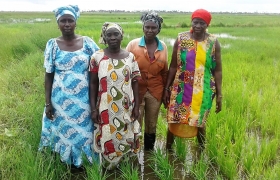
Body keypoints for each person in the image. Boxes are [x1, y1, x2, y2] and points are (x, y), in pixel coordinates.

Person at [38, 5, 100, 171]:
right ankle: (66, 162)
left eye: (70, 20)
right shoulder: (52, 45)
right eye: (62, 21)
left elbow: (101, 65)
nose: (66, 24)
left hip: (84, 101)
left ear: (75, 22)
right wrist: (48, 102)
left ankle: (83, 164)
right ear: (57, 23)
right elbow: (48, 75)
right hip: (60, 100)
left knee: (84, 133)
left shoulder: (87, 43)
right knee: (63, 132)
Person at [163, 9, 222, 152]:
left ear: (207, 25)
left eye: (202, 23)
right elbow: (173, 66)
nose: (198, 26)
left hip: (204, 90)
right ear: (191, 22)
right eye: (195, 22)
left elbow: (218, 70)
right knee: (174, 119)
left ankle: (201, 153)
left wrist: (219, 94)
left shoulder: (213, 42)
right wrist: (167, 88)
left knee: (199, 123)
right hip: (180, 89)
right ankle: (168, 152)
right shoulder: (181, 39)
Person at [89, 22, 141, 170]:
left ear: (121, 36)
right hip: (105, 107)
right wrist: (93, 109)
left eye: (116, 34)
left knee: (126, 133)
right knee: (107, 135)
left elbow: (136, 82)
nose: (112, 37)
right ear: (104, 37)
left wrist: (137, 105)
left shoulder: (130, 57)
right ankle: (109, 166)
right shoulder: (97, 57)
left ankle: (124, 165)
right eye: (109, 34)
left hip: (125, 107)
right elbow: (92, 84)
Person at [126, 12, 168, 151]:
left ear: (158, 29)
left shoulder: (163, 46)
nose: (150, 30)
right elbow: (125, 67)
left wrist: (166, 92)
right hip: (136, 90)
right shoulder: (133, 44)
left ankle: (148, 152)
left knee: (152, 123)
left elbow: (165, 71)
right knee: (135, 121)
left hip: (156, 91)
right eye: (147, 27)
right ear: (143, 27)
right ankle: (134, 151)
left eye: (153, 28)